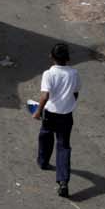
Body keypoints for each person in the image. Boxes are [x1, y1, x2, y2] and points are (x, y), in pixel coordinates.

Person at [34, 42, 79, 199]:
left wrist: (38, 111)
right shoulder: (74, 73)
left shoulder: (49, 74)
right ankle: (63, 181)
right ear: (67, 58)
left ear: (51, 56)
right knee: (63, 146)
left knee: (45, 136)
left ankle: (43, 161)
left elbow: (45, 96)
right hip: (66, 115)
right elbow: (75, 93)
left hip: (51, 113)